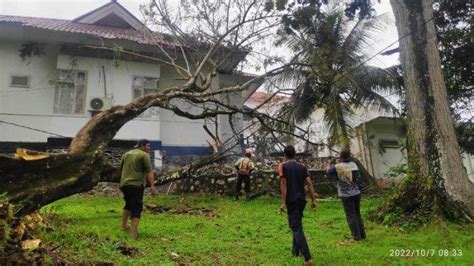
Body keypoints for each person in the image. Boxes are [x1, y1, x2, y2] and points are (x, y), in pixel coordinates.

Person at [279, 145, 317, 266]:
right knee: (297, 224)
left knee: (295, 227)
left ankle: (307, 257)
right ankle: (295, 251)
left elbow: (283, 184)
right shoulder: (302, 166)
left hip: (291, 200)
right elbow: (309, 183)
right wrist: (313, 200)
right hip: (301, 200)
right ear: (295, 154)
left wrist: (283, 202)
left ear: (285, 155)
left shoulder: (282, 166)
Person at [119, 139, 157, 239]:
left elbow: (121, 169)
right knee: (136, 208)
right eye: (148, 146)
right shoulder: (144, 155)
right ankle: (133, 233)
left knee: (128, 204)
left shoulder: (127, 154)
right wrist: (152, 186)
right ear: (141, 146)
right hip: (136, 185)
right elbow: (149, 171)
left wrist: (121, 182)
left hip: (124, 184)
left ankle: (123, 226)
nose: (149, 148)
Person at [326, 150, 366, 242]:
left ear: (341, 157)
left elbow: (328, 172)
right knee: (357, 214)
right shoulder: (354, 165)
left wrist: (328, 164)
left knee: (350, 215)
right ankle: (362, 235)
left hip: (345, 194)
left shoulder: (337, 166)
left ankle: (356, 237)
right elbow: (358, 178)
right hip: (356, 193)